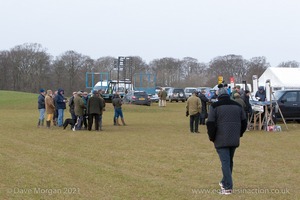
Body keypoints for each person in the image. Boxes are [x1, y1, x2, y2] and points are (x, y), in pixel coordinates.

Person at [206, 87, 247, 195]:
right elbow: (244, 122)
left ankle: (228, 187)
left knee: (225, 162)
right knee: (229, 161)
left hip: (220, 138)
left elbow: (210, 123)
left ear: (218, 96)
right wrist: (240, 134)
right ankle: (224, 182)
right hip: (234, 138)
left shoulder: (214, 106)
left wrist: (212, 137)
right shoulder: (237, 106)